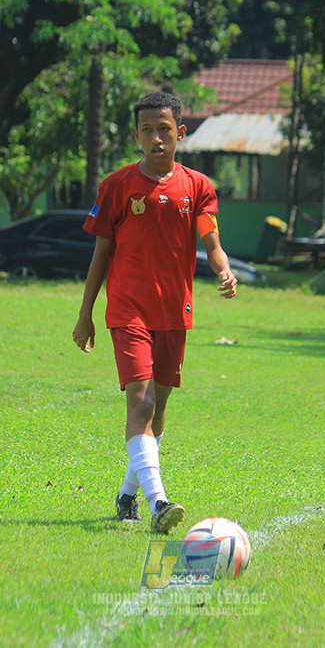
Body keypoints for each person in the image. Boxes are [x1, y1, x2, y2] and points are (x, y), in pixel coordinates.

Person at [72, 91, 238, 534]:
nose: (156, 138)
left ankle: (127, 494)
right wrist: (86, 313)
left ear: (180, 132)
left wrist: (224, 270)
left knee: (157, 410)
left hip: (174, 313)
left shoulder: (198, 187)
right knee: (141, 401)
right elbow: (100, 254)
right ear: (136, 136)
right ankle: (158, 502)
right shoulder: (118, 186)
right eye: (147, 130)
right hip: (127, 311)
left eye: (164, 129)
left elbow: (212, 242)